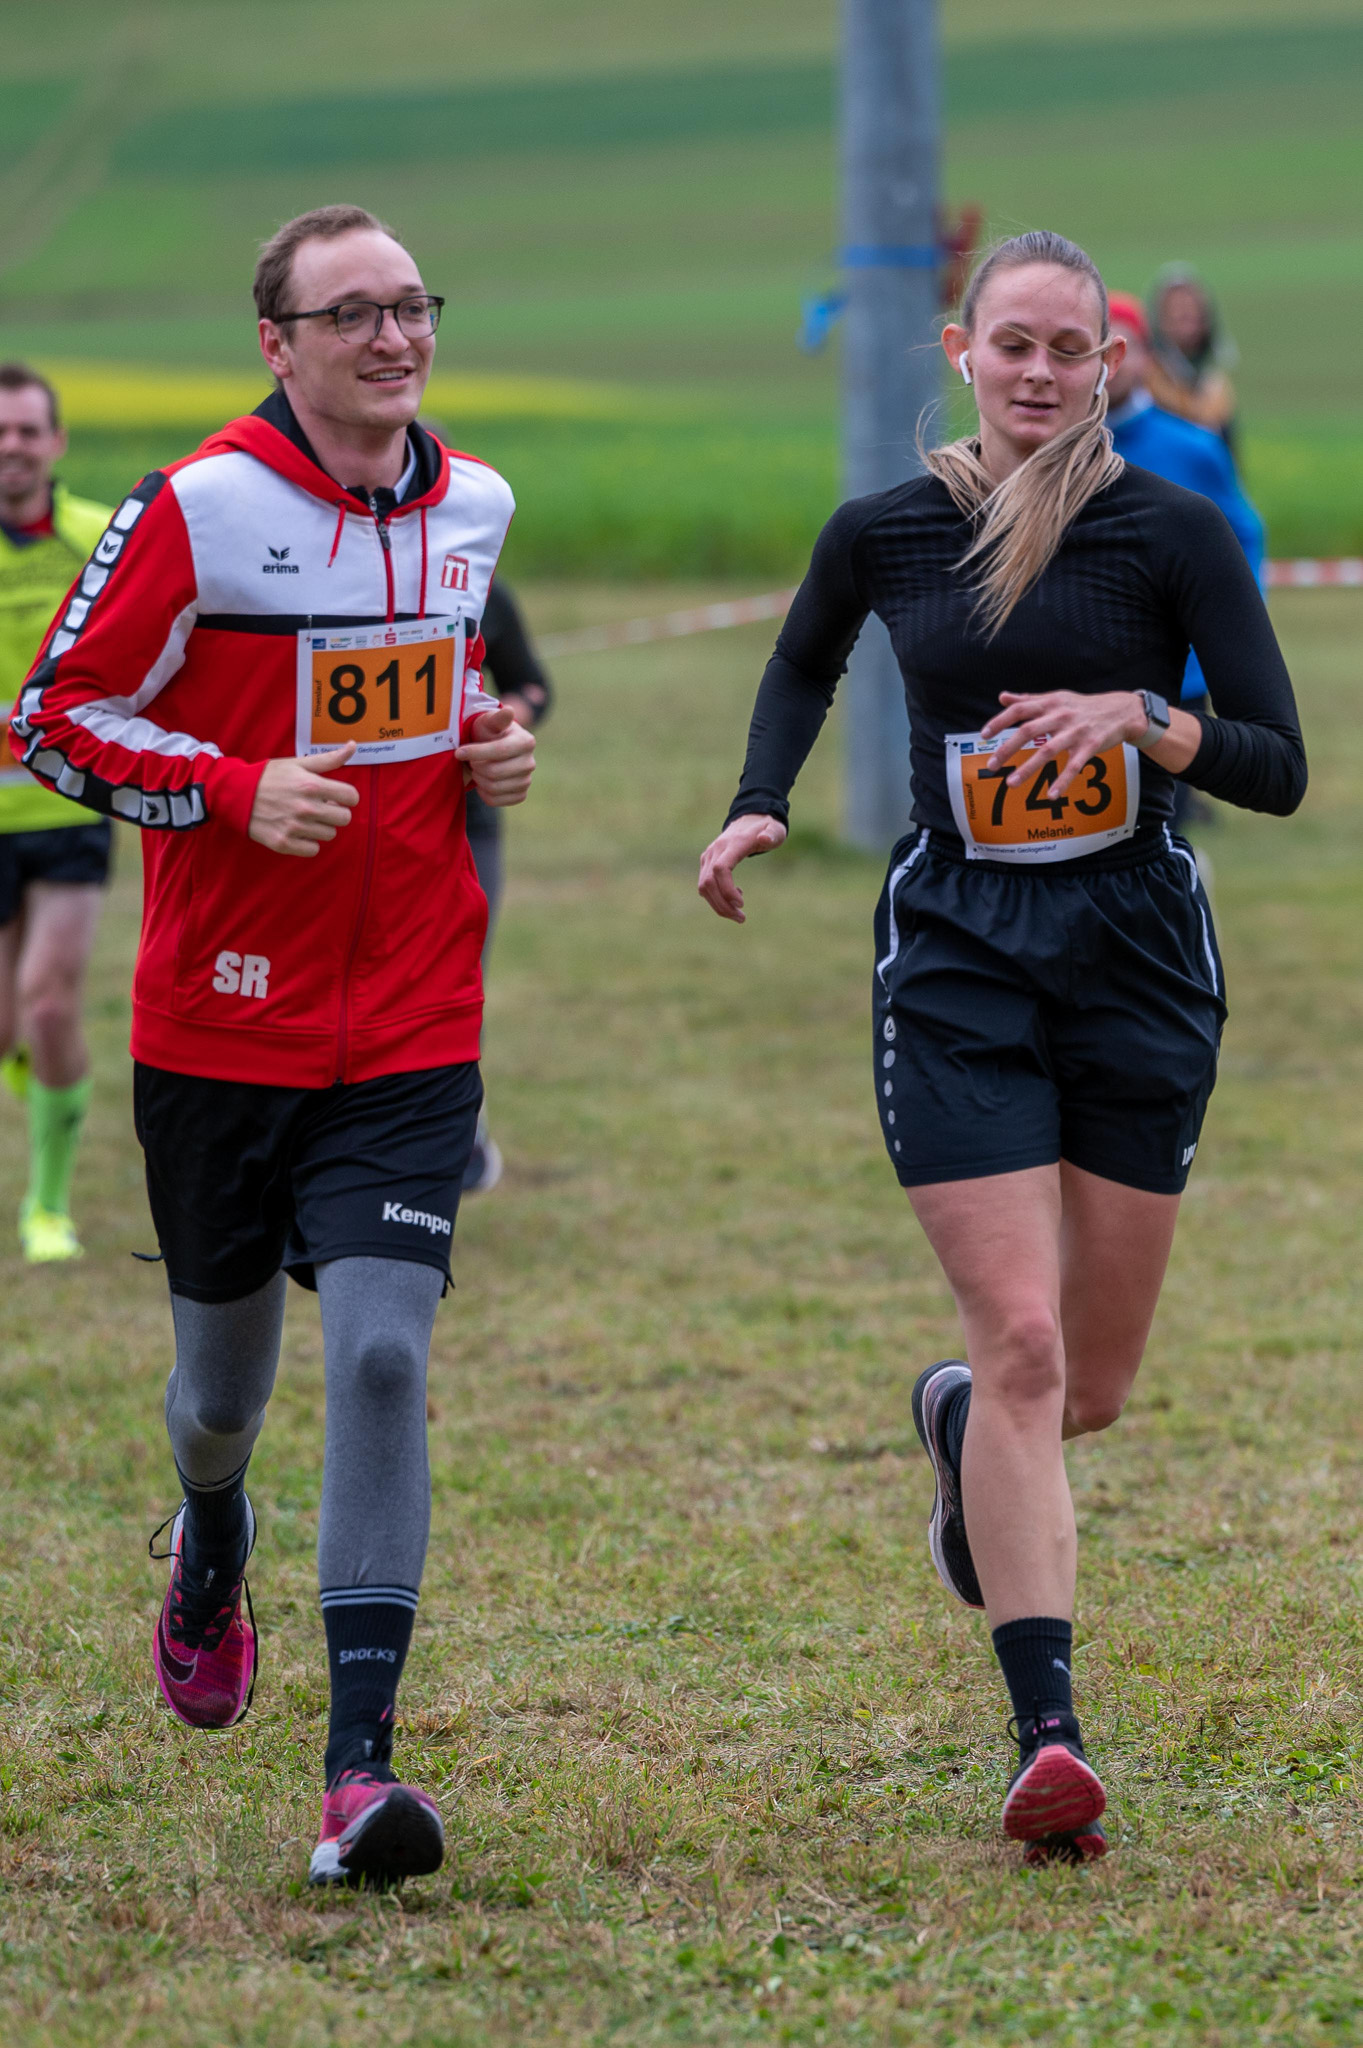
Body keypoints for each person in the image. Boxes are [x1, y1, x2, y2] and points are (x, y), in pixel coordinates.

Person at [698, 231, 1305, 1863]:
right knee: (1026, 1338)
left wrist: (1142, 721)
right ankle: (1048, 1738)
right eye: (1009, 344)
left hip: (1135, 957)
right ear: (961, 350)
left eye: (1065, 348)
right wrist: (757, 801)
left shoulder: (1168, 530)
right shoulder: (886, 528)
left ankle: (960, 1422)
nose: (1036, 371)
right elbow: (803, 656)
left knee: (1080, 1388)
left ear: (1104, 364)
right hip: (957, 955)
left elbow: (1275, 763)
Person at [9, 204, 535, 1887]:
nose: (394, 336)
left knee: (381, 1358)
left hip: (412, 1019)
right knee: (216, 1400)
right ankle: (211, 1529)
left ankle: (355, 1776)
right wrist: (231, 789)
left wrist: (486, 743)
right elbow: (51, 719)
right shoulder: (201, 506)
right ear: (277, 344)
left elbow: (436, 693)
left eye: (411, 305)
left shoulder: (473, 506)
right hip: (221, 1027)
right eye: (351, 313)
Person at [0, 364, 113, 1262]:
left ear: (57, 442)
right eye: (0, 432)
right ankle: (36, 1075)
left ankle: (47, 1206)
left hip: (71, 810)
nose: (13, 447)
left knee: (48, 1003)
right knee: (8, 1024)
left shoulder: (99, 539)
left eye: (28, 430)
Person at [1105, 292, 1266, 837]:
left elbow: (1244, 534)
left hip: (1182, 667)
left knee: (1164, 821)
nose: (1111, 365)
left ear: (1147, 357)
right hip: (1091, 666)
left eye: (1123, 348)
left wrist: (1235, 623)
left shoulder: (1193, 447)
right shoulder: (1054, 449)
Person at [461, 578, 553, 1194]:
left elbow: (534, 686)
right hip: (349, 818)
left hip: (467, 824)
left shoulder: (483, 589)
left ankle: (462, 1138)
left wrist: (504, 720)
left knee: (458, 982)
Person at [1145, 264, 1239, 453]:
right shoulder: (1147, 384)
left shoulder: (1216, 387)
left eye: (1191, 308)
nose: (1184, 314)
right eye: (1175, 309)